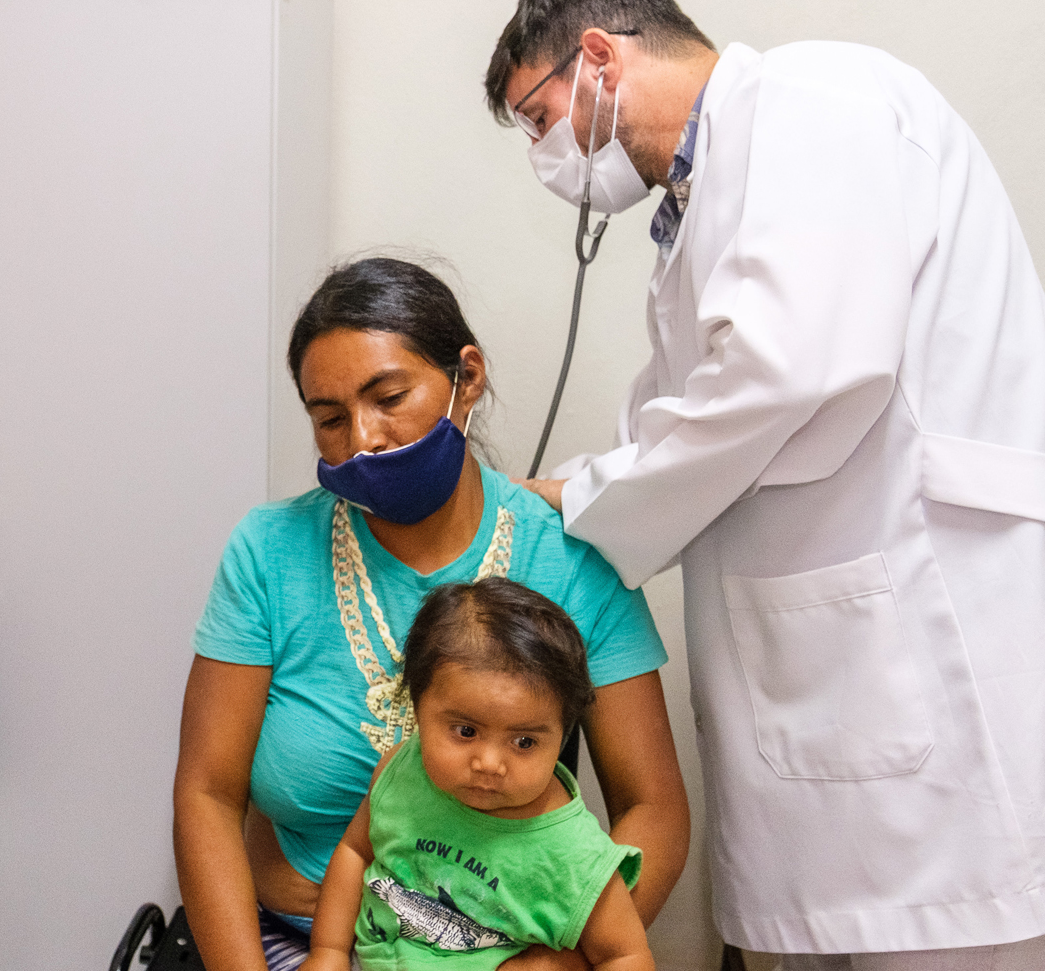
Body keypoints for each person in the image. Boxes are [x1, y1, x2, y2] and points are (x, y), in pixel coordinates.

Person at [481, 0, 1045, 966]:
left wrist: (592, 493)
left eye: (538, 119)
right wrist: (588, 484)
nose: (543, 158)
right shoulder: (698, 209)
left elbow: (795, 370)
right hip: (855, 693)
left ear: (598, 58)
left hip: (946, 658)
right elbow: (679, 417)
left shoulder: (813, 101)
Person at [174, 257, 688, 971]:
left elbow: (654, 806)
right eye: (329, 418)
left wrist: (558, 964)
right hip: (292, 943)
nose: (363, 438)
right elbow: (206, 795)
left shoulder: (573, 561)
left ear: (465, 378)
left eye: (388, 396)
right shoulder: (269, 553)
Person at [304, 578, 653, 971]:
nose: (489, 762)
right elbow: (355, 852)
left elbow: (625, 955)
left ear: (562, 734)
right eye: (466, 731)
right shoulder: (401, 770)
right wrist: (328, 952)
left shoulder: (574, 855)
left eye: (523, 742)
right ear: (418, 709)